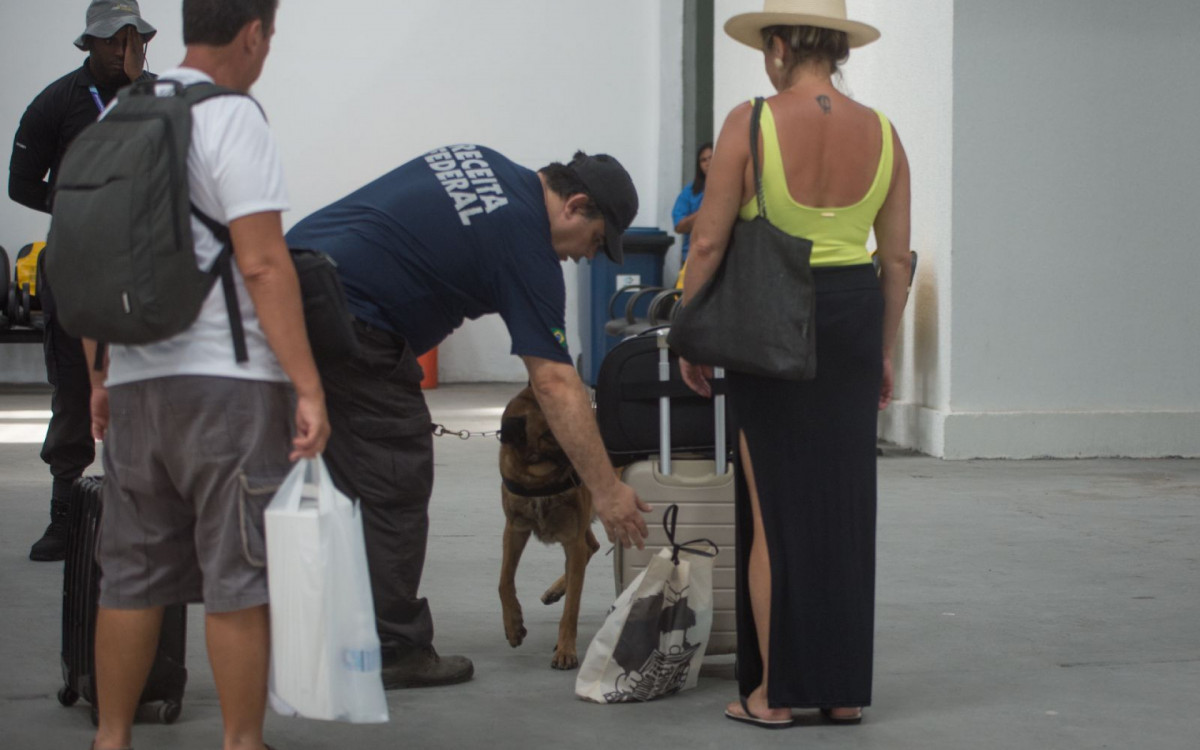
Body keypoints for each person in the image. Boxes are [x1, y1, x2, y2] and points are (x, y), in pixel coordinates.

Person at [285, 147, 652, 688]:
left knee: (293, 472)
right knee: (394, 477)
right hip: (349, 318)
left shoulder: (484, 160)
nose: (586, 257)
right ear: (575, 205)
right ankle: (393, 648)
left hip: (284, 279)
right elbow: (554, 381)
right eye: (596, 241)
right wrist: (606, 489)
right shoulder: (528, 246)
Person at [86, 2, 329, 749]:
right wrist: (308, 385)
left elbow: (89, 256)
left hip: (134, 381)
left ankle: (110, 739)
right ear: (254, 33)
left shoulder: (121, 115)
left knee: (130, 577)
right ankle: (241, 743)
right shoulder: (232, 119)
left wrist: (99, 374)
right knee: (238, 576)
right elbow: (263, 262)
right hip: (227, 385)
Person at [679, 0, 911, 728]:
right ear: (837, 49)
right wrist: (883, 349)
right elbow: (897, 261)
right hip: (853, 316)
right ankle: (842, 692)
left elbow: (708, 242)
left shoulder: (750, 122)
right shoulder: (885, 133)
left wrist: (688, 331)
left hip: (772, 317)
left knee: (774, 513)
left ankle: (771, 696)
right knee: (843, 508)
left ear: (778, 47)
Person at [8, 0, 157, 562]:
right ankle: (65, 516)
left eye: (131, 40)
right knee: (73, 389)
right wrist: (79, 203)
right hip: (75, 264)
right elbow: (21, 183)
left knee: (148, 388)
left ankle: (144, 513)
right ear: (89, 43)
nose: (122, 51)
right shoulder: (56, 102)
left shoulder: (160, 99)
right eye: (112, 40)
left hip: (145, 267)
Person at [671, 141, 712, 288]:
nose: (708, 163)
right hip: (693, 258)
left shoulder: (732, 187)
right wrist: (706, 211)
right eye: (703, 160)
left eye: (711, 158)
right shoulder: (690, 192)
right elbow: (679, 226)